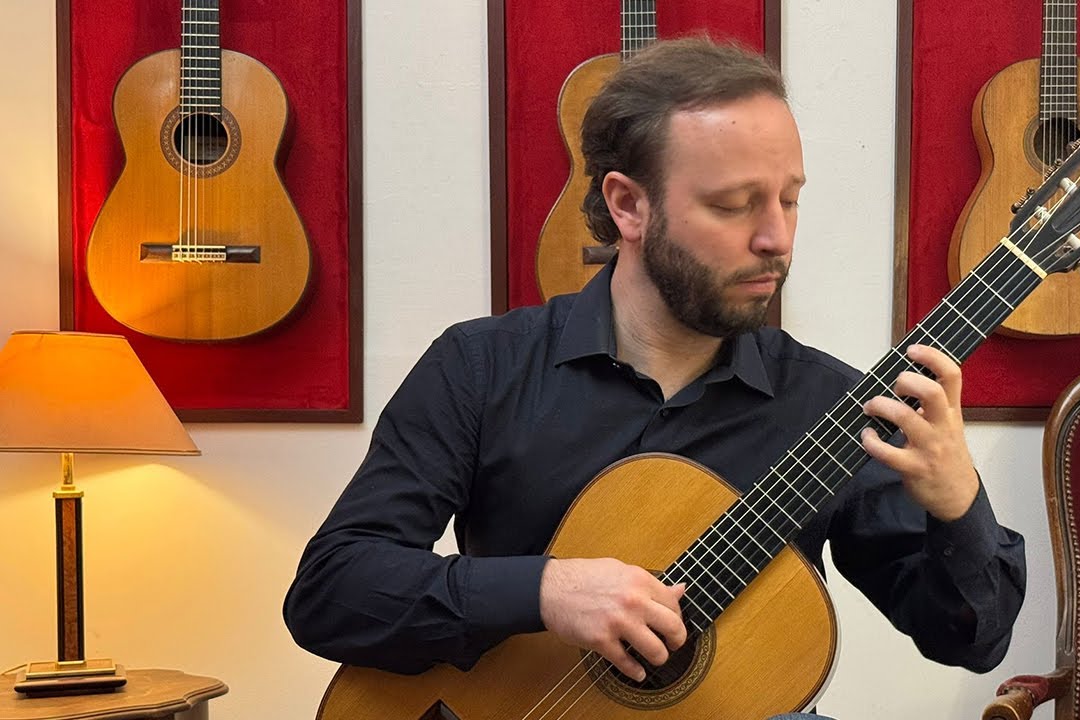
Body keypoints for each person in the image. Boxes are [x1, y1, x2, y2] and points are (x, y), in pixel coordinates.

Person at [284, 36, 1026, 714]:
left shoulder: (831, 406)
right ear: (628, 205)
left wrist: (958, 501)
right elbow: (332, 591)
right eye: (734, 205)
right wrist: (544, 591)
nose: (776, 238)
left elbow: (968, 641)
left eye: (790, 199)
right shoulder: (481, 367)